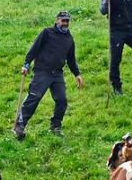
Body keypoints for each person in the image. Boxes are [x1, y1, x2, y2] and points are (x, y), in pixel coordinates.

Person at [14, 11, 84, 140]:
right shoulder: (47, 32)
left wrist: (77, 74)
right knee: (34, 98)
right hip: (42, 71)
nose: (65, 23)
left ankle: (55, 126)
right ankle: (19, 126)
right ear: (57, 20)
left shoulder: (69, 39)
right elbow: (34, 49)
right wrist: (26, 64)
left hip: (57, 74)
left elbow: (71, 59)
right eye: (63, 20)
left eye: (67, 21)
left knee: (62, 100)